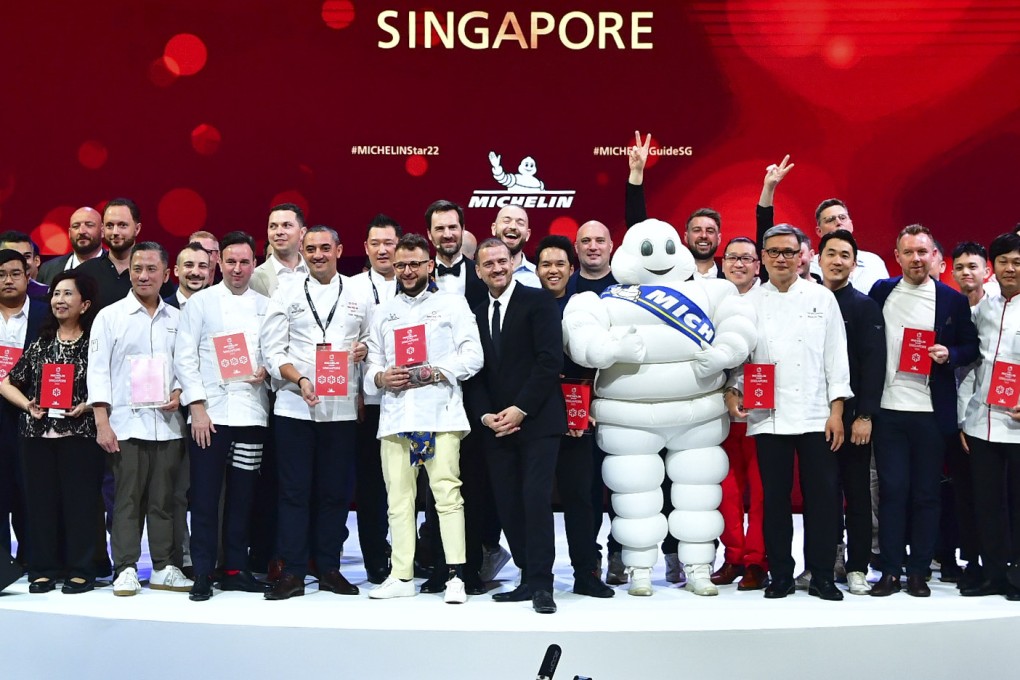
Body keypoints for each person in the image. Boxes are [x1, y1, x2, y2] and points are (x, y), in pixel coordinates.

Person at [564, 219, 757, 598]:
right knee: (634, 494)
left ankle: (698, 566)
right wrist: (609, 349)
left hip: (697, 412)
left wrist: (723, 352)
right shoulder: (601, 300)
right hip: (628, 416)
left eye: (667, 249)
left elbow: (740, 323)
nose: (660, 259)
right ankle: (638, 568)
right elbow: (579, 332)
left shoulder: (713, 292)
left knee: (698, 494)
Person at [725, 224, 852, 601]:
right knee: (774, 500)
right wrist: (733, 391)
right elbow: (740, 357)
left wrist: (837, 410)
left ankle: (823, 575)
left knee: (823, 499)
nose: (781, 258)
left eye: (789, 252)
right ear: (762, 258)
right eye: (774, 252)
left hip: (816, 413)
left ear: (802, 256)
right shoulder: (749, 304)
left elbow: (836, 357)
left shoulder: (822, 298)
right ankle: (780, 573)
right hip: (768, 416)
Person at [363, 233, 483, 603]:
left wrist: (437, 370)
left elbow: (473, 356)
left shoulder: (452, 304)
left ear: (429, 264)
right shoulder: (383, 310)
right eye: (401, 265)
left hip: (440, 415)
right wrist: (381, 377)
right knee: (398, 499)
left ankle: (455, 576)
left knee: (447, 496)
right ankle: (401, 576)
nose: (408, 271)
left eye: (415, 264)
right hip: (398, 417)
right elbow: (372, 365)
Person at [260, 226, 371, 600]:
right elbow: (272, 351)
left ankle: (328, 567)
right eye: (311, 248)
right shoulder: (286, 291)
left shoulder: (359, 291)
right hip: (295, 406)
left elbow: (372, 339)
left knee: (334, 493)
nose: (318, 254)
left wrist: (363, 351)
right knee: (293, 491)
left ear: (340, 250)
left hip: (340, 409)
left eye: (326, 248)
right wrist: (301, 378)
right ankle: (292, 571)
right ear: (303, 251)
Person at [868, 224, 978, 597]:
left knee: (928, 494)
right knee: (893, 491)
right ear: (896, 257)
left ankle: (919, 571)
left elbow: (970, 347)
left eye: (923, 252)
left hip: (931, 412)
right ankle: (890, 570)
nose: (916, 258)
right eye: (909, 252)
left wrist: (950, 354)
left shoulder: (951, 300)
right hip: (888, 410)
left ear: (934, 256)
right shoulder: (882, 291)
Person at [88, 242, 192, 596]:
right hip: (125, 426)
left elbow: (186, 367)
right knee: (126, 500)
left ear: (166, 274)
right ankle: (126, 567)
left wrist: (179, 394)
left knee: (164, 500)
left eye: (151, 269)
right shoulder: (109, 316)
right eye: (137, 269)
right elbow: (98, 373)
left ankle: (164, 565)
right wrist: (102, 421)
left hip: (168, 425)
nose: (143, 276)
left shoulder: (179, 319)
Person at [174, 231, 271, 601]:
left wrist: (266, 370)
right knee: (204, 496)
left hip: (251, 413)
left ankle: (234, 568)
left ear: (254, 264)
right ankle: (202, 571)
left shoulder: (266, 305)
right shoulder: (200, 304)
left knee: (243, 496)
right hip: (210, 417)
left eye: (244, 262)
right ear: (219, 263)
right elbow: (184, 357)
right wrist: (196, 407)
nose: (237, 268)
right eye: (230, 261)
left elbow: (274, 350)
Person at [472, 237, 565, 613]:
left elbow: (549, 362)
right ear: (478, 271)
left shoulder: (538, 301)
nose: (496, 268)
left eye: (501, 261)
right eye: (488, 264)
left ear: (513, 263)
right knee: (509, 504)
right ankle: (527, 577)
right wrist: (485, 416)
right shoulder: (476, 313)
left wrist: (520, 408)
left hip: (538, 421)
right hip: (496, 427)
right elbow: (474, 374)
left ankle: (543, 582)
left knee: (535, 499)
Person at [0, 270, 104, 594]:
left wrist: (87, 406)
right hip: (36, 436)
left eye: (67, 294)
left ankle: (82, 568)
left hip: (81, 435)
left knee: (81, 504)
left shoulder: (95, 344)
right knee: (40, 505)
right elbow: (6, 383)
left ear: (85, 304)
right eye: (56, 294)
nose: (59, 300)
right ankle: (43, 568)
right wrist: (27, 405)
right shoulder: (41, 342)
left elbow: (111, 386)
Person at [423, 200, 499, 594]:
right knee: (436, 484)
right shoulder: (417, 277)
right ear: (431, 235)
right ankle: (439, 566)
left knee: (475, 484)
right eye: (440, 229)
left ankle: (471, 569)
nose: (447, 234)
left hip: (476, 395)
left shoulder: (484, 276)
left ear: (463, 229)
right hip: (431, 397)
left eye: (453, 227)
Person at [535, 235, 614, 598]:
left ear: (572, 268)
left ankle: (586, 572)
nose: (553, 270)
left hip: (578, 415)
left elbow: (601, 361)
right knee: (534, 500)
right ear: (537, 270)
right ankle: (536, 577)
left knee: (581, 498)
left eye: (560, 264)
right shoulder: (527, 306)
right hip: (536, 417)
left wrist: (593, 404)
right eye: (546, 264)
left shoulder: (587, 308)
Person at [814, 229, 886, 595]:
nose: (837, 260)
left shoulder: (863, 306)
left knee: (856, 493)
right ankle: (824, 564)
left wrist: (865, 415)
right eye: (831, 253)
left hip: (854, 416)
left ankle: (857, 566)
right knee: (822, 496)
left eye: (845, 255)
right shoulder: (808, 302)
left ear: (854, 263)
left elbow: (874, 365)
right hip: (815, 417)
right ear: (818, 259)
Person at [960, 232, 1020, 599]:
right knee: (986, 504)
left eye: (1017, 261)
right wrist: (964, 418)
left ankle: (1017, 575)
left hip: (1017, 424)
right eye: (1003, 261)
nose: (1010, 268)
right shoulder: (984, 309)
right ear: (992, 268)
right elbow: (972, 366)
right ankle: (993, 573)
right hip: (982, 423)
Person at [346, 214, 402, 584]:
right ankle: (375, 558)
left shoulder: (418, 284)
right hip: (368, 403)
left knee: (409, 484)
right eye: (375, 243)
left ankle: (408, 554)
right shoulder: (351, 289)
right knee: (372, 486)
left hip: (410, 401)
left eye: (389, 243)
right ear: (365, 248)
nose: (383, 250)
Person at [711, 236, 768, 591]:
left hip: (763, 411)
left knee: (762, 492)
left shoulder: (768, 301)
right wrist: (727, 393)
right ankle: (733, 555)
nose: (739, 264)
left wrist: (741, 390)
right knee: (727, 490)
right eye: (732, 258)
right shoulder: (712, 299)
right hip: (719, 413)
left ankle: (757, 560)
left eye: (747, 258)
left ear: (757, 265)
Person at [755, 156, 889, 292]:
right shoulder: (807, 264)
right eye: (830, 220)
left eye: (842, 217)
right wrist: (769, 189)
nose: (838, 222)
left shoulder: (874, 262)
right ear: (819, 231)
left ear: (851, 224)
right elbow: (768, 240)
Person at [0, 251, 49, 565]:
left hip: (35, 414)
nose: (7, 280)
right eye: (1, 274)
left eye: (15, 273)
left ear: (28, 274)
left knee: (32, 491)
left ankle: (35, 561)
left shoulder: (46, 314)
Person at [624, 130, 724, 279]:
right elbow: (638, 228)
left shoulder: (731, 277)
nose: (703, 235)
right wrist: (637, 173)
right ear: (685, 237)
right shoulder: (671, 276)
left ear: (719, 238)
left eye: (710, 231)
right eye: (697, 230)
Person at [77, 198, 175, 312]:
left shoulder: (154, 275)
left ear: (137, 229)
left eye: (122, 225)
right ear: (103, 229)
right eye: (109, 226)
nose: (115, 232)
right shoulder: (84, 272)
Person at [249, 203, 308, 298]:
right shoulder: (252, 279)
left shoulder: (317, 274)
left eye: (286, 225)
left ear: (302, 233)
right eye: (273, 226)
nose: (279, 232)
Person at [37, 207, 104, 285]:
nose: (81, 231)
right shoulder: (48, 269)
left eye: (89, 225)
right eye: (76, 226)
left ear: (102, 231)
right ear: (69, 233)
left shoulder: (116, 267)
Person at [491, 206, 540, 287]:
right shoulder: (478, 273)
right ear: (494, 228)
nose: (513, 227)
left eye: (520, 223)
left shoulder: (538, 276)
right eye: (506, 221)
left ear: (528, 235)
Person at [0, 231, 49, 297]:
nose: (21, 262)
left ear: (36, 260)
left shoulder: (48, 293)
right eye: (11, 256)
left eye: (26, 256)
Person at [166, 243, 211, 308]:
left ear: (209, 272)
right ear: (176, 271)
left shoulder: (222, 309)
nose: (196, 273)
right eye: (189, 265)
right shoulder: (162, 309)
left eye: (202, 266)